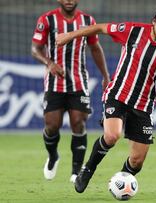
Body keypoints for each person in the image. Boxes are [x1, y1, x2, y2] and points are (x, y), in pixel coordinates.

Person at [56, 6, 156, 193]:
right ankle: (88, 169)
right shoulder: (133, 30)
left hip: (144, 103)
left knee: (137, 162)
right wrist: (69, 35)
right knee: (112, 136)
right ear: (154, 21)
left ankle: (119, 185)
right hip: (118, 94)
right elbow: (100, 27)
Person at [31, 0, 110, 183]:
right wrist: (49, 63)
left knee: (78, 123)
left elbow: (95, 48)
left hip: (78, 82)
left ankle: (76, 172)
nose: (68, 0)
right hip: (54, 83)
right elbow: (35, 49)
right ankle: (53, 157)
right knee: (52, 126)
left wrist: (106, 76)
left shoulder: (87, 20)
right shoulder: (47, 19)